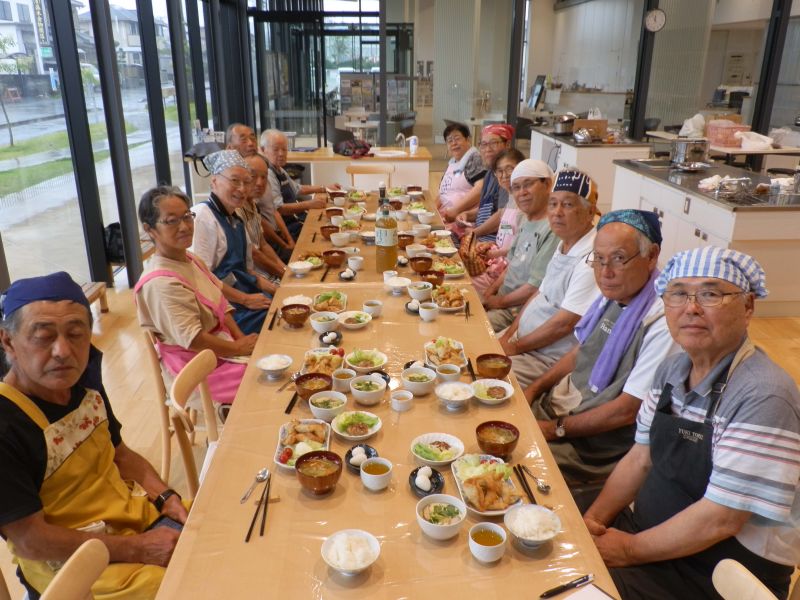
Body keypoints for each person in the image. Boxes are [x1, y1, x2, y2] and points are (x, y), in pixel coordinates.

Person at [584, 247, 800, 600]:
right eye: (678, 294)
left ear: (748, 307)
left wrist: (626, 550)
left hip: (714, 575)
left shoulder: (764, 394)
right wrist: (591, 525)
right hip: (650, 539)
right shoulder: (672, 371)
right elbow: (639, 459)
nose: (691, 307)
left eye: (710, 294)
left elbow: (721, 518)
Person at [0, 272, 187, 599]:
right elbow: (31, 540)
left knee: (219, 528)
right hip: (72, 566)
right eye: (43, 337)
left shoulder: (83, 386)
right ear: (8, 342)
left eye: (76, 334)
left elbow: (122, 455)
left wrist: (166, 497)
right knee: (194, 584)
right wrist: (139, 548)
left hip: (131, 522)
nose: (63, 351)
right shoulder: (6, 424)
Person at [525, 210, 680, 509]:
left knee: (519, 463)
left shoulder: (661, 321)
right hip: (562, 409)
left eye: (619, 259)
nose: (605, 272)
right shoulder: (613, 295)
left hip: (593, 444)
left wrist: (554, 428)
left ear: (651, 256)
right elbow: (580, 352)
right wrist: (533, 390)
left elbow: (626, 411)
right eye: (598, 259)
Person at [135, 186, 257, 407]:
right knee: (268, 381)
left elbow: (222, 304)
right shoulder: (161, 283)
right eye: (171, 221)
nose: (184, 226)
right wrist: (239, 349)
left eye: (186, 217)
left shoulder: (190, 259)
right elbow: (194, 340)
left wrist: (241, 340)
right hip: (198, 370)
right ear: (150, 229)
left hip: (223, 350)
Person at [496, 169, 599, 367]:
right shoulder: (564, 243)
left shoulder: (592, 259)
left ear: (590, 212)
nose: (557, 212)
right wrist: (509, 335)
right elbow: (538, 295)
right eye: (553, 204)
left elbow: (564, 324)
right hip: (522, 342)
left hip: (544, 358)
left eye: (567, 204)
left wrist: (514, 347)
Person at [191, 150, 272, 335]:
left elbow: (247, 271)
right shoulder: (202, 217)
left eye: (247, 182)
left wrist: (278, 288)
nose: (242, 189)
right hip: (223, 309)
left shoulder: (236, 219)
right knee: (276, 320)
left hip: (243, 296)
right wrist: (245, 299)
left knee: (285, 305)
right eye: (235, 181)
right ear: (214, 181)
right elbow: (201, 280)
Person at [481, 158, 558, 314]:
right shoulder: (525, 220)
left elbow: (533, 288)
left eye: (528, 184)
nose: (522, 193)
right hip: (502, 300)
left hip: (517, 310)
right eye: (516, 187)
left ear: (548, 184)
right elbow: (511, 266)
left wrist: (497, 302)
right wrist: (489, 293)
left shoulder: (554, 229)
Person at [260, 129, 339, 240]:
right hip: (287, 230)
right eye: (276, 149)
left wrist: (325, 188)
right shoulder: (268, 174)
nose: (281, 153)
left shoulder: (279, 169)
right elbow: (280, 209)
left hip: (297, 220)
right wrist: (309, 204)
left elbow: (298, 188)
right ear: (263, 150)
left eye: (284, 149)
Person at [449, 124, 515, 242]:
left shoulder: (508, 177)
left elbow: (503, 218)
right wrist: (467, 215)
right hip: (480, 235)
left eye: (493, 143)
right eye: (483, 144)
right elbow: (487, 209)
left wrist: (475, 232)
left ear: (508, 145)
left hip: (496, 242)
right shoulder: (490, 173)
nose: (487, 149)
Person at [240, 154, 290, 279]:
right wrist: (285, 275)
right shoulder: (237, 211)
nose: (260, 183)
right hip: (251, 278)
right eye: (253, 176)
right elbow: (254, 254)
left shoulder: (252, 205)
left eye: (264, 177)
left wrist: (285, 269)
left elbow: (263, 245)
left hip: (265, 273)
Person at [434, 122, 484, 219]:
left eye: (457, 139)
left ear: (468, 139)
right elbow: (443, 193)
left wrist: (455, 210)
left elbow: (480, 189)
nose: (454, 143)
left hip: (462, 217)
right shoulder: (452, 163)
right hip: (444, 214)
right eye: (449, 141)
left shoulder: (474, 158)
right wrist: (432, 210)